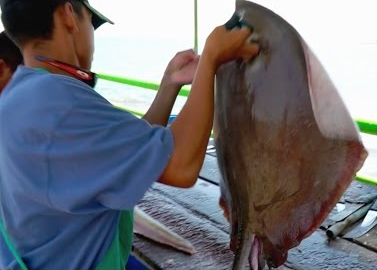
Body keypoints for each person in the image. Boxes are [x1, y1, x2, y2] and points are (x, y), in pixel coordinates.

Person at [0, 0, 259, 269]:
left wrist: (170, 84)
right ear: (68, 15)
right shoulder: (59, 104)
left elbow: (130, 150)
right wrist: (212, 59)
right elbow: (181, 167)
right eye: (90, 22)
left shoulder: (21, 97)